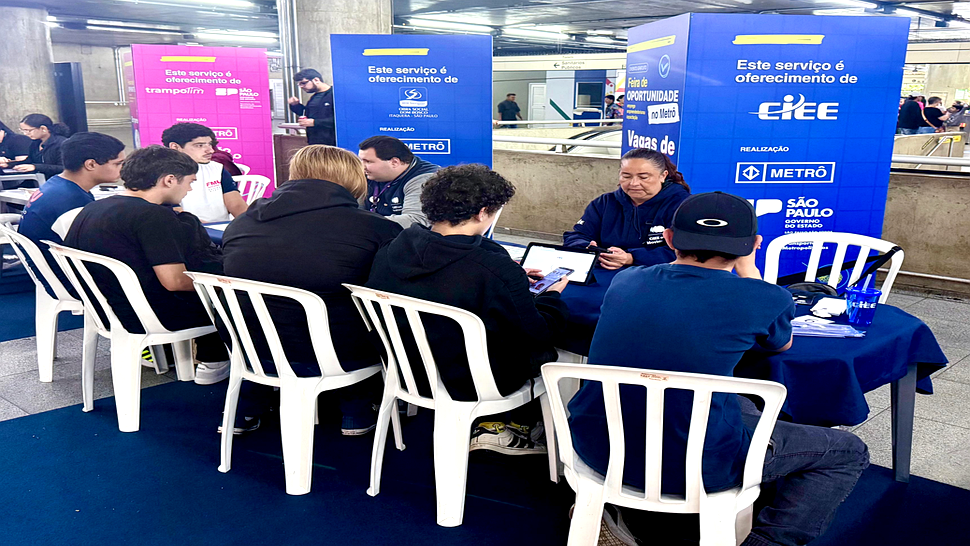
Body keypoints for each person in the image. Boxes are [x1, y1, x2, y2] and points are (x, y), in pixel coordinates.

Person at [567, 191, 869, 546]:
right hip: (701, 468)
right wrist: (750, 271)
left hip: (595, 447)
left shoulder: (626, 281)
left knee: (745, 404)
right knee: (849, 451)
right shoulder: (767, 297)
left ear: (668, 238)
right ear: (753, 244)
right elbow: (781, 344)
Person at [365, 164, 570, 454]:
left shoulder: (391, 249)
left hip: (406, 371)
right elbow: (537, 333)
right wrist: (551, 297)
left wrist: (507, 277)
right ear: (482, 212)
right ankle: (517, 427)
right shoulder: (491, 267)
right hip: (472, 381)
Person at [222, 145, 402, 435]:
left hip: (250, 346)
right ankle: (355, 408)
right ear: (353, 178)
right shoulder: (375, 229)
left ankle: (247, 406)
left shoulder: (243, 221)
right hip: (338, 352)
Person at [64, 146, 231, 387]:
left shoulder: (94, 207)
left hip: (106, 309)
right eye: (190, 182)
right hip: (150, 315)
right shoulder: (153, 217)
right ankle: (218, 361)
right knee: (242, 296)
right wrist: (225, 283)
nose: (190, 189)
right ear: (170, 180)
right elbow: (173, 281)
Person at [18, 132, 126, 292]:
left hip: (52, 271)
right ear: (91, 164)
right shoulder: (71, 199)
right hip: (70, 280)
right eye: (118, 163)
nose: (123, 168)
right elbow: (95, 250)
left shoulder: (58, 184)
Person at [563, 148, 690, 269]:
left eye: (643, 177)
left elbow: (689, 252)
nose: (634, 183)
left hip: (655, 274)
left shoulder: (683, 206)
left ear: (663, 176)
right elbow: (577, 235)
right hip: (603, 271)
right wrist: (586, 248)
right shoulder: (604, 203)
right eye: (626, 176)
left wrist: (631, 258)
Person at [161, 123, 247, 223]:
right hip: (187, 231)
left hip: (222, 231)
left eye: (210, 144)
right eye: (199, 145)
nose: (210, 150)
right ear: (175, 147)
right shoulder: (160, 174)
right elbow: (176, 213)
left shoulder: (218, 169)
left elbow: (237, 206)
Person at [358, 135, 439, 228]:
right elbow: (354, 210)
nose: (362, 166)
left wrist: (363, 223)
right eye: (361, 161)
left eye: (368, 162)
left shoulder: (425, 179)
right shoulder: (368, 174)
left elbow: (415, 220)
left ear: (394, 162)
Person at [0, 114, 71, 181]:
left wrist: (35, 167)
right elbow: (29, 160)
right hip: (40, 180)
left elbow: (64, 168)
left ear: (43, 128)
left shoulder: (62, 143)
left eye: (29, 130)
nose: (25, 134)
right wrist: (9, 164)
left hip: (57, 181)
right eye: (23, 130)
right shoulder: (35, 143)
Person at [288, 68, 335, 146]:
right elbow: (307, 113)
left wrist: (315, 122)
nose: (301, 86)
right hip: (314, 141)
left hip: (331, 142)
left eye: (303, 83)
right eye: (299, 84)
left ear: (316, 80)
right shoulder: (314, 97)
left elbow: (340, 120)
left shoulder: (334, 94)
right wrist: (295, 105)